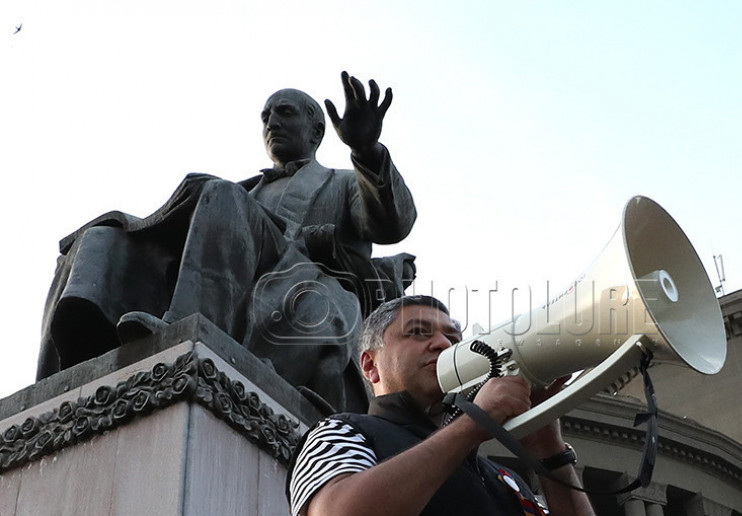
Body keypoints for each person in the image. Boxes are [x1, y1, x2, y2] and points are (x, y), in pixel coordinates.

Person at [37, 72, 416, 414]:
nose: (272, 123)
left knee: (220, 192)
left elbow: (391, 224)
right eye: (266, 117)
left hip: (297, 283)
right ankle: (69, 368)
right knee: (104, 235)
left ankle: (185, 330)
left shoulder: (343, 182)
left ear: (316, 132)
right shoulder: (246, 190)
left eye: (284, 112)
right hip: (240, 279)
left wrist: (366, 151)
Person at [287, 295, 596, 515]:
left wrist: (549, 452)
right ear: (370, 365)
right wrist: (473, 422)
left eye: (453, 339)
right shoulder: (341, 432)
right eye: (417, 333)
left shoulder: (506, 480)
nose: (443, 345)